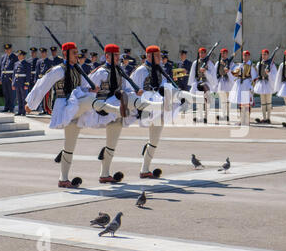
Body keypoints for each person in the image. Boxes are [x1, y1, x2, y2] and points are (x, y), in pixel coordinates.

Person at [25, 42, 107, 188]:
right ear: (65, 54)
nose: (77, 55)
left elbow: (83, 88)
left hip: (76, 104)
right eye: (74, 53)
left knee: (71, 143)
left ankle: (63, 178)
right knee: (70, 142)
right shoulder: (58, 70)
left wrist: (92, 90)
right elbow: (42, 85)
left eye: (77, 53)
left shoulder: (78, 69)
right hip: (64, 107)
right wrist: (31, 104)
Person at [78, 44, 160, 183]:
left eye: (118, 55)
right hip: (105, 109)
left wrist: (135, 92)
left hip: (117, 109)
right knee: (111, 141)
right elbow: (85, 87)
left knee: (112, 142)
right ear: (107, 56)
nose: (118, 57)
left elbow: (126, 88)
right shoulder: (100, 72)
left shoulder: (119, 71)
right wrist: (93, 92)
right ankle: (104, 174)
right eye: (115, 55)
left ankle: (104, 174)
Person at [131, 45, 199, 178]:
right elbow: (134, 90)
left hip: (159, 109)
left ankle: (145, 170)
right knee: (153, 140)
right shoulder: (140, 71)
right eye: (157, 55)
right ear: (149, 56)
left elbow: (163, 87)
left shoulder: (159, 70)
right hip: (147, 109)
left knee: (154, 141)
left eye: (160, 55)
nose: (160, 58)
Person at [188, 47, 217, 124]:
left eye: (203, 53)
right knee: (198, 100)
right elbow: (192, 74)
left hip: (206, 82)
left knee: (206, 100)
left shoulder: (210, 64)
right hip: (197, 82)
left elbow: (213, 77)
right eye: (200, 53)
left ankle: (205, 117)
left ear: (205, 53)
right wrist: (192, 84)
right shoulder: (195, 63)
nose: (201, 54)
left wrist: (205, 71)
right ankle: (199, 116)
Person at [229, 50, 257, 126]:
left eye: (247, 55)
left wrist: (252, 86)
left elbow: (254, 77)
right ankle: (242, 120)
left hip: (247, 85)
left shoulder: (251, 65)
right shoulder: (240, 65)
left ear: (249, 56)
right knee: (241, 104)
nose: (245, 57)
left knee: (247, 104)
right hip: (240, 85)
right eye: (244, 55)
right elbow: (235, 73)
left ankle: (247, 120)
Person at [253, 49, 278, 124]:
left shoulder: (272, 65)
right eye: (263, 54)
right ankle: (264, 118)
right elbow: (257, 73)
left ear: (268, 55)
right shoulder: (259, 64)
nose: (264, 56)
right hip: (261, 83)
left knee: (269, 102)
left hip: (268, 83)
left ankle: (268, 118)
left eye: (265, 54)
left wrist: (269, 73)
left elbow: (275, 75)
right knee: (263, 102)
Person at [215, 48, 235, 122]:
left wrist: (228, 71)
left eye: (224, 53)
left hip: (228, 83)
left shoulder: (231, 63)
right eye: (222, 53)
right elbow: (215, 74)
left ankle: (228, 115)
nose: (223, 55)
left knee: (228, 101)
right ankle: (223, 115)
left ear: (227, 54)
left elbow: (233, 73)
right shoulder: (218, 63)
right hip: (221, 83)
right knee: (222, 101)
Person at [0, 44, 18, 113]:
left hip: (10, 78)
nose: (7, 50)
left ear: (11, 49)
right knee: (6, 93)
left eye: (8, 49)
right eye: (6, 49)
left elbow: (16, 69)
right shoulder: (3, 57)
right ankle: (6, 107)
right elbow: (0, 68)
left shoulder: (15, 57)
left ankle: (12, 108)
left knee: (12, 93)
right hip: (4, 78)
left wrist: (15, 78)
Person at [12, 50, 31, 116]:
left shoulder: (27, 63)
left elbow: (28, 75)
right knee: (18, 98)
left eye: (20, 55)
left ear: (23, 56)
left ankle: (23, 111)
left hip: (23, 83)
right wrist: (13, 83)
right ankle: (19, 111)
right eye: (18, 55)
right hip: (17, 83)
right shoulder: (16, 63)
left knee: (24, 98)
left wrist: (26, 84)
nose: (18, 56)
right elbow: (14, 74)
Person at [35, 47, 53, 114]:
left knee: (48, 96)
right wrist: (36, 80)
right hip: (40, 80)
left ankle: (48, 109)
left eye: (43, 53)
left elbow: (51, 72)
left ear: (46, 53)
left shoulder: (49, 61)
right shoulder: (39, 61)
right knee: (41, 95)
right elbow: (37, 71)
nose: (42, 54)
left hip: (47, 81)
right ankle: (43, 109)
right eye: (41, 53)